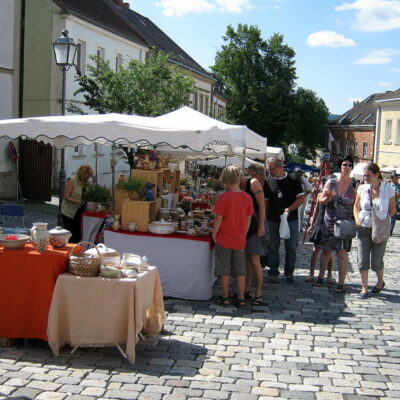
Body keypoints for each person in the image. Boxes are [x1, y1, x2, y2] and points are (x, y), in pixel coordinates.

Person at [212, 165, 254, 308]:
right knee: (240, 269)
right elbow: (248, 219)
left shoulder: (223, 197)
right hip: (239, 238)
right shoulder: (247, 197)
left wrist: (213, 234)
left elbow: (218, 219)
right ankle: (241, 297)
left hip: (224, 237)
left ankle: (225, 296)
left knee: (224, 269)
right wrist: (244, 233)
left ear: (226, 180)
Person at [353, 163, 396, 299]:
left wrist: (383, 221)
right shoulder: (362, 188)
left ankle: (379, 282)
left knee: (377, 261)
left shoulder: (388, 189)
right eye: (364, 175)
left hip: (380, 230)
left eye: (368, 175)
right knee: (362, 259)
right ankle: (364, 289)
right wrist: (357, 221)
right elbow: (356, 207)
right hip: (363, 227)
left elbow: (392, 209)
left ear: (377, 175)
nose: (365, 178)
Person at [264, 157, 305, 283]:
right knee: (273, 246)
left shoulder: (293, 180)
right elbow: (266, 201)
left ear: (280, 167)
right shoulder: (269, 181)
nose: (270, 172)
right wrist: (265, 216)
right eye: (268, 170)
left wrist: (289, 209)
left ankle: (289, 272)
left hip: (290, 219)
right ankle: (273, 272)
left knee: (291, 246)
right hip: (273, 219)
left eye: (272, 169)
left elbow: (301, 199)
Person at [318, 156, 356, 293]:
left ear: (352, 168)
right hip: (330, 222)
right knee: (327, 251)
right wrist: (327, 197)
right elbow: (320, 199)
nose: (347, 167)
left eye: (349, 165)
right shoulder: (331, 182)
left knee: (342, 253)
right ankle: (321, 277)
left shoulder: (355, 184)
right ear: (340, 167)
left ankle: (341, 283)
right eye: (344, 164)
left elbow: (357, 205)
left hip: (345, 224)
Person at [241, 164, 266, 305]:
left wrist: (261, 226)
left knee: (254, 260)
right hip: (245, 223)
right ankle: (246, 289)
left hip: (255, 223)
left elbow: (262, 206)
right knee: (248, 259)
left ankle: (258, 294)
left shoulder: (253, 182)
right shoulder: (240, 185)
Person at [306, 193, 335, 285]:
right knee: (315, 250)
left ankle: (329, 275)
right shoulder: (320, 195)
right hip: (320, 221)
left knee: (328, 252)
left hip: (331, 223)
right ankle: (311, 273)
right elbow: (316, 210)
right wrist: (312, 223)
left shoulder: (337, 195)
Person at [61, 164, 94, 243]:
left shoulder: (87, 183)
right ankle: (70, 252)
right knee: (71, 235)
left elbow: (88, 195)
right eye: (86, 177)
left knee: (78, 235)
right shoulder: (72, 181)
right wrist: (78, 202)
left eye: (89, 177)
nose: (87, 179)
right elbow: (66, 196)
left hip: (80, 211)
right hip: (69, 212)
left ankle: (76, 251)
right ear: (81, 175)